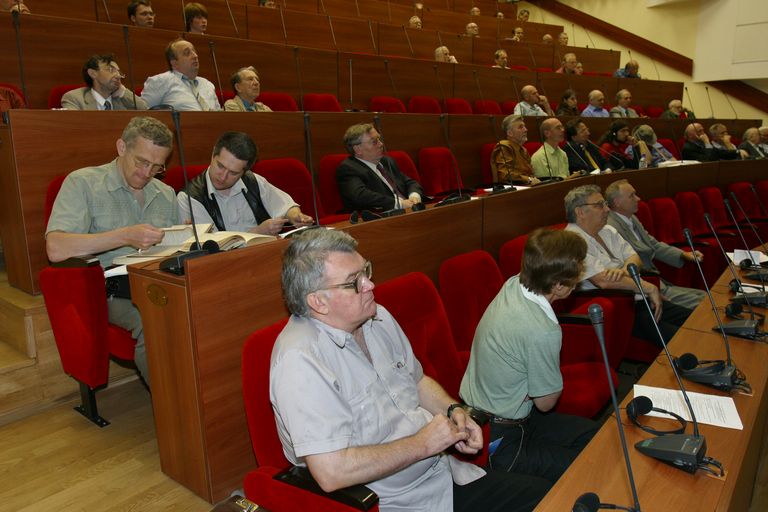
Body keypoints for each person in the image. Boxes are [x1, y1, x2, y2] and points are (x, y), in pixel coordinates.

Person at [272, 228, 550, 512]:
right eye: (354, 281)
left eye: (366, 271)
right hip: (397, 502)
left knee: (552, 497)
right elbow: (332, 472)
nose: (370, 285)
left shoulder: (377, 316)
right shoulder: (300, 361)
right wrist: (423, 444)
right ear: (318, 302)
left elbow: (417, 381)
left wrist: (455, 411)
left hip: (444, 473)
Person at [45, 116, 178, 388]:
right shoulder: (83, 183)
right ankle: (174, 402)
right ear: (121, 147)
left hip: (159, 279)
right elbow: (55, 248)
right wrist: (123, 236)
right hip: (110, 288)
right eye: (141, 162)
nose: (147, 173)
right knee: (153, 319)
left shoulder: (166, 193)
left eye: (157, 166)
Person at [460, 228, 598, 484]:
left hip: (493, 414)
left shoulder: (515, 282)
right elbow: (546, 403)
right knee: (587, 468)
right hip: (501, 438)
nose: (581, 273)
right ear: (557, 285)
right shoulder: (543, 330)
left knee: (595, 437)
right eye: (578, 270)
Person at [564, 185, 690, 347]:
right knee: (684, 341)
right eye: (599, 205)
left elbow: (634, 257)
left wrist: (625, 271)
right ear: (580, 212)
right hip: (619, 309)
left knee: (696, 319)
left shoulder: (607, 230)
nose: (607, 209)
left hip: (640, 299)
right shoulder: (571, 241)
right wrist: (648, 288)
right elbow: (603, 281)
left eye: (605, 204)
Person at [178, 131, 313, 234]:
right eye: (220, 166)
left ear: (244, 171)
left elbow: (286, 206)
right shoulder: (190, 198)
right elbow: (212, 247)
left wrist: (296, 216)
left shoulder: (253, 181)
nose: (223, 177)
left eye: (233, 173)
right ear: (213, 154)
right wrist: (258, 232)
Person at [605, 179, 705, 311]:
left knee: (704, 296)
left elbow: (653, 244)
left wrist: (683, 254)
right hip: (644, 286)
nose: (638, 198)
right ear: (617, 202)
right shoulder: (611, 227)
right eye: (632, 196)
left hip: (656, 281)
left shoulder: (631, 218)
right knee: (705, 302)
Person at [336, 123, 424, 212]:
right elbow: (361, 196)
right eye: (374, 142)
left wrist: (414, 196)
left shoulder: (387, 161)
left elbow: (409, 182)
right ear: (358, 149)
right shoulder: (349, 168)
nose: (381, 144)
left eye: (379, 139)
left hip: (411, 209)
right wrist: (399, 204)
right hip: (383, 216)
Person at [141, 39, 222, 111]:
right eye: (187, 53)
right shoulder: (160, 81)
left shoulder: (207, 84)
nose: (195, 56)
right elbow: (142, 112)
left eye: (194, 52)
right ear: (174, 63)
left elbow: (220, 116)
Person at [61, 54, 148, 111]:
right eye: (111, 70)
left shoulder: (123, 99)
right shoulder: (74, 99)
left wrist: (123, 92)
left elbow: (145, 112)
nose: (118, 76)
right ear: (93, 73)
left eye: (118, 72)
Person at [492, 115, 540, 186]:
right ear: (510, 133)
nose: (526, 130)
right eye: (521, 127)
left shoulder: (524, 150)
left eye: (524, 126)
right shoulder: (504, 147)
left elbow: (530, 174)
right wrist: (528, 179)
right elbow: (505, 175)